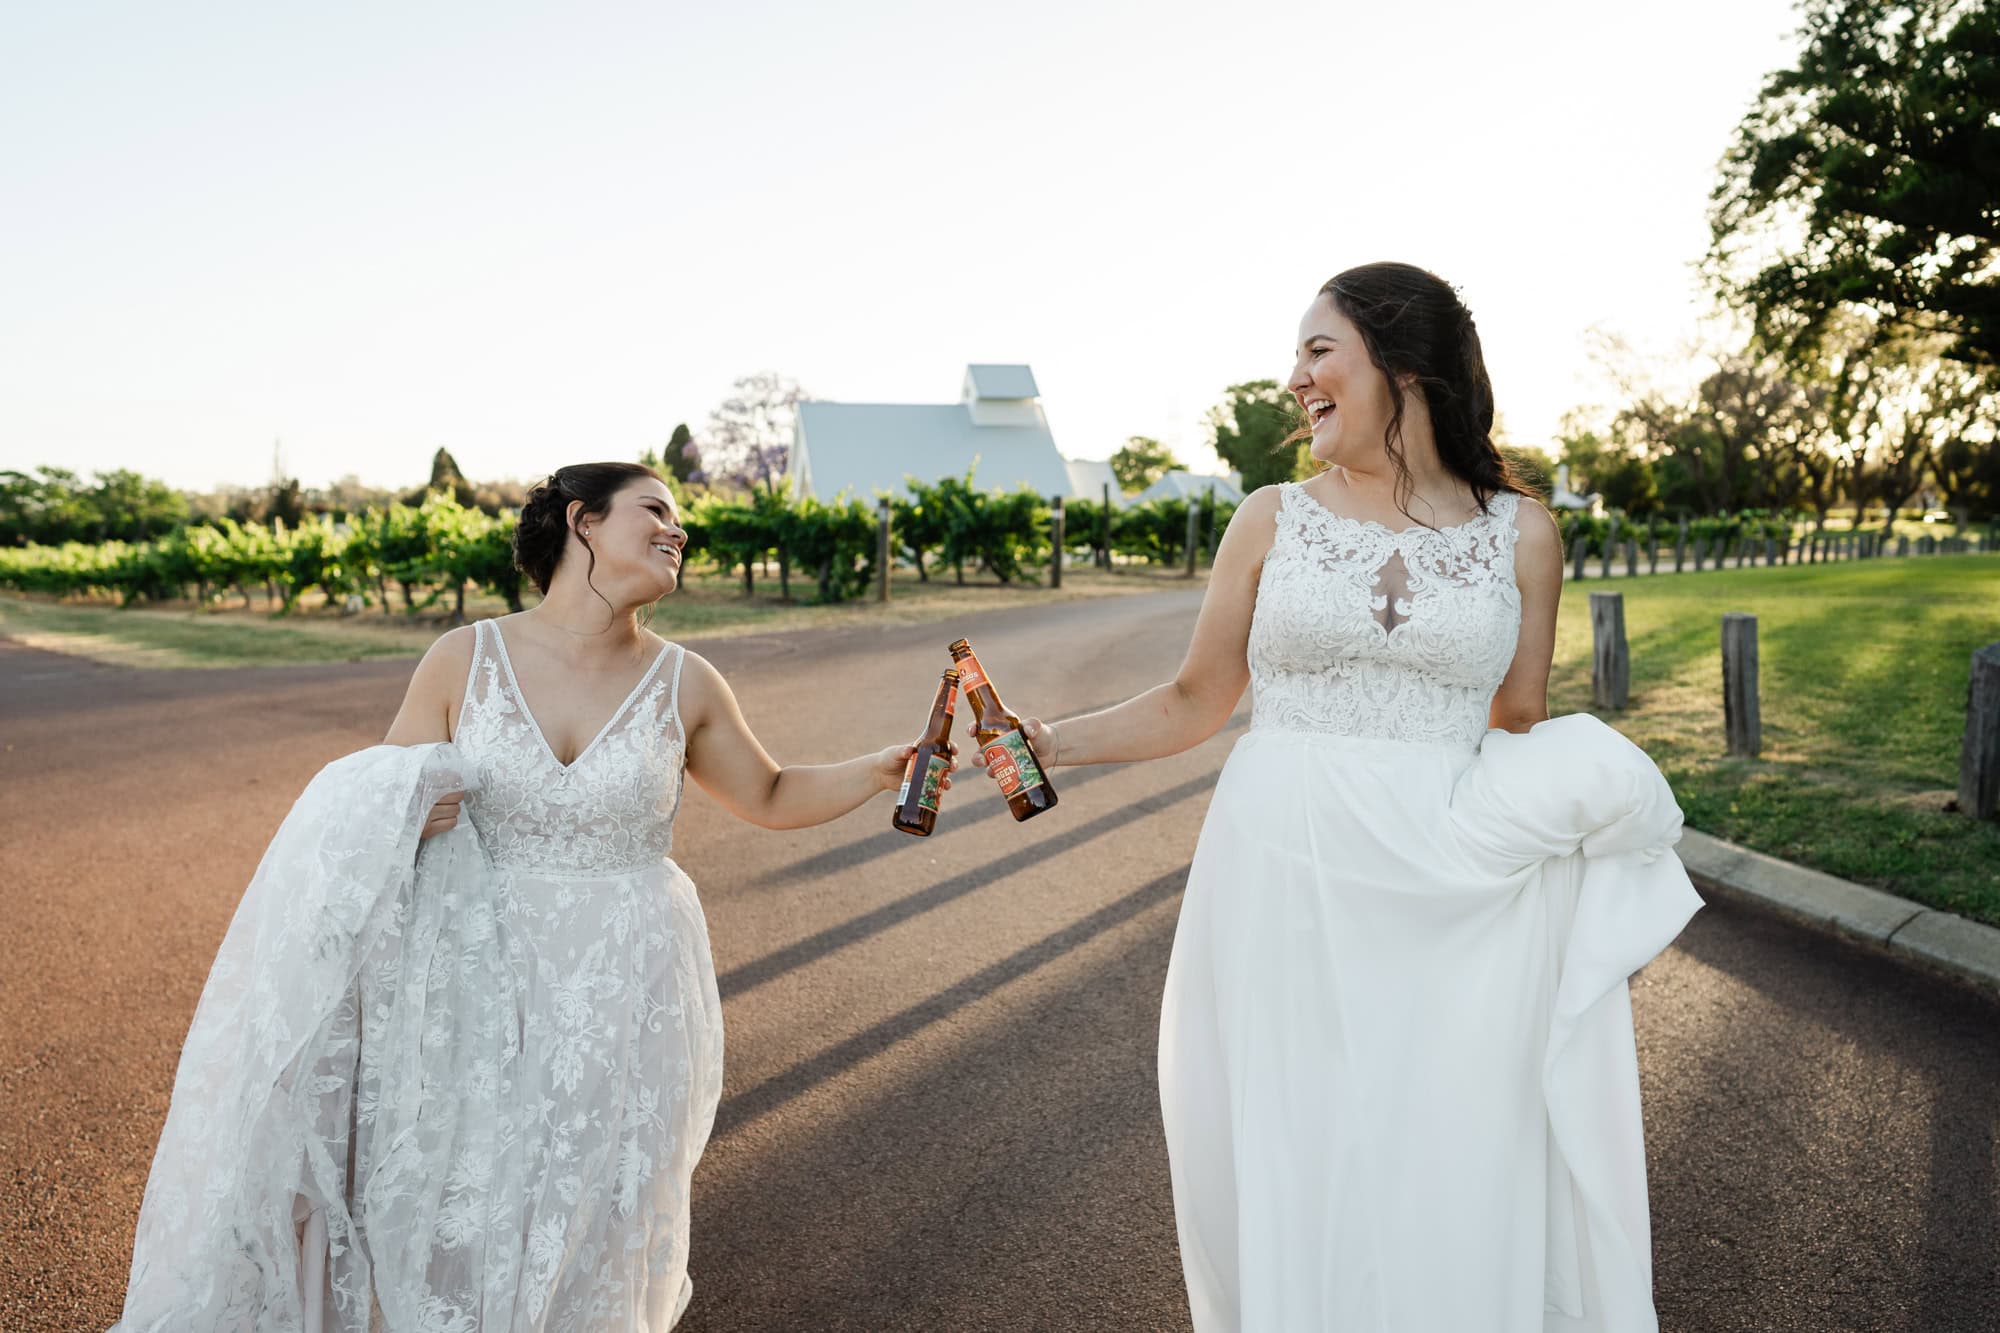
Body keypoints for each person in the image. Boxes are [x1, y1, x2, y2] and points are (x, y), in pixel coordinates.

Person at [1018, 264, 1702, 1331]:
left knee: (1444, 1142)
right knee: (1298, 1137)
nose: (1294, 377)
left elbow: (1513, 723)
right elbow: (1197, 698)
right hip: (1278, 868)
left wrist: (1570, 889)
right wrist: (1051, 740)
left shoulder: (1521, 534)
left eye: (1316, 350)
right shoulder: (1267, 517)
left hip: (1450, 893)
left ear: (1401, 367)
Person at [114, 461, 949, 1332]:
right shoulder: (462, 658)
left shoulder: (687, 681)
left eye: (681, 520)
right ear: (584, 522)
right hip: (475, 979)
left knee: (594, 1208)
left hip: (623, 989)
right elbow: (374, 798)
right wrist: (409, 805)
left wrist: (879, 770)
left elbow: (771, 794)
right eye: (657, 509)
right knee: (463, 1196)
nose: (680, 530)